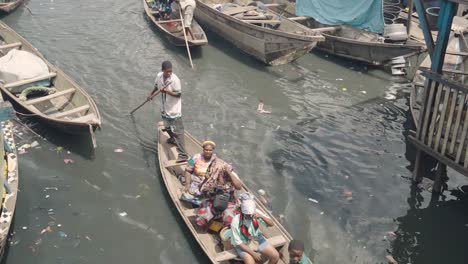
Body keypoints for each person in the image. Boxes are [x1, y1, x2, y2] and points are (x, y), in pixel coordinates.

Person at [147, 61, 188, 162]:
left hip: (174, 110)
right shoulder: (159, 76)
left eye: (171, 71)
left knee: (178, 132)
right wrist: (151, 95)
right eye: (167, 71)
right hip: (165, 108)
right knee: (167, 127)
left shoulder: (175, 80)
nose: (169, 73)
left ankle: (183, 155)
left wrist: (167, 91)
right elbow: (156, 86)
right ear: (162, 70)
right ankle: (172, 139)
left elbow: (178, 94)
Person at [193, 155, 242, 228]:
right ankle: (206, 225)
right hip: (213, 200)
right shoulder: (212, 174)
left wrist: (229, 173)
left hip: (228, 202)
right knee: (205, 213)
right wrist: (206, 180)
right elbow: (201, 189)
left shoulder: (231, 175)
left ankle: (225, 229)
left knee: (229, 216)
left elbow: (239, 187)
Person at [230, 198, 280, 264]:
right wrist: (253, 253)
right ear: (242, 212)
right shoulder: (236, 221)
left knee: (275, 256)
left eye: (251, 214)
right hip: (243, 243)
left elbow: (271, 224)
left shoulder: (256, 213)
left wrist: (262, 217)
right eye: (248, 215)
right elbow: (239, 243)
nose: (250, 216)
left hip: (256, 239)